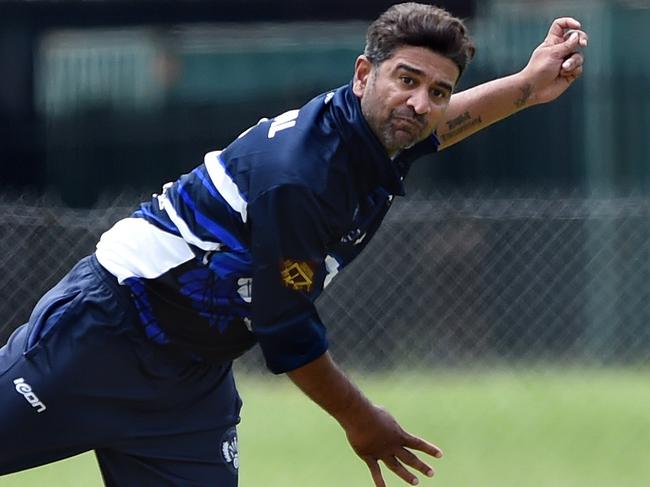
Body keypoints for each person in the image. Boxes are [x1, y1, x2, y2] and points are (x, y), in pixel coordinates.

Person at [0, 3, 587, 486]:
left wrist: (529, 86)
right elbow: (284, 328)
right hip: (102, 337)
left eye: (437, 90)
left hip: (189, 384)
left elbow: (445, 120)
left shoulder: (379, 131)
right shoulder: (301, 177)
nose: (420, 103)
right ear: (364, 75)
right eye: (407, 80)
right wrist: (363, 422)